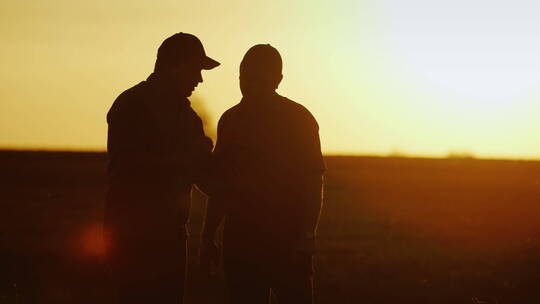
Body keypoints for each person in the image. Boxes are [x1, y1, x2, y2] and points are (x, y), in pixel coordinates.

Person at [201, 44, 325, 304]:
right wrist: (207, 235)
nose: (249, 84)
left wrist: (306, 237)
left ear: (278, 80)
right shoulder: (231, 120)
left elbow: (313, 182)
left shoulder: (299, 119)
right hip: (242, 243)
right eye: (245, 76)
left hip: (287, 241)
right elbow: (222, 186)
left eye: (258, 77)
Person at [104, 32, 219, 304]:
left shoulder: (189, 118)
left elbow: (205, 176)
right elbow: (130, 169)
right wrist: (190, 158)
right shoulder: (131, 105)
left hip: (171, 241)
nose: (199, 80)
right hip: (133, 239)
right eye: (196, 70)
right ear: (174, 66)